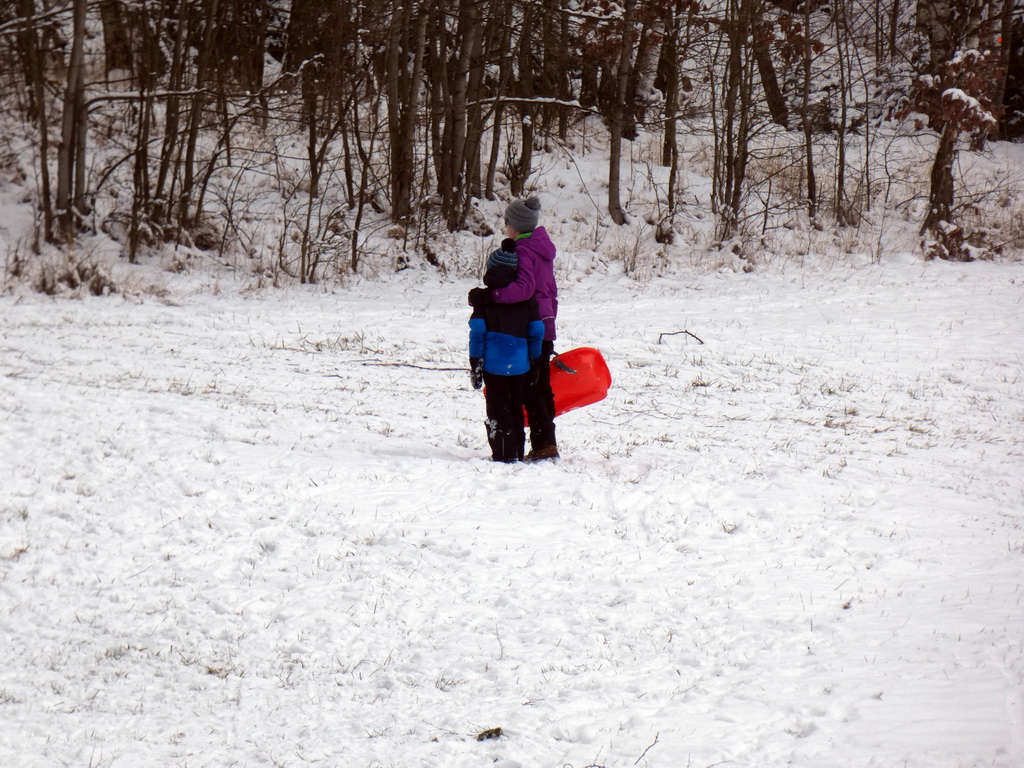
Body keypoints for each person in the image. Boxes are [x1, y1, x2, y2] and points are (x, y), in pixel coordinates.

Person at [468, 197, 559, 462]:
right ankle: (544, 442)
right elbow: (547, 289)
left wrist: (492, 297)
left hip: (528, 324)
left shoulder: (524, 250)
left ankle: (541, 444)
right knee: (539, 387)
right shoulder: (542, 247)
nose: (505, 226)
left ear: (514, 225)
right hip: (543, 321)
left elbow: (524, 288)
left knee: (531, 387)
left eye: (507, 222)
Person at [469, 239, 545, 463]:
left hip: (493, 365)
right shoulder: (527, 300)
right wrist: (535, 359)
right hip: (520, 364)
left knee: (498, 409)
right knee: (515, 408)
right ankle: (517, 452)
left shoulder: (484, 299)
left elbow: (477, 332)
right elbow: (536, 331)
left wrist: (475, 362)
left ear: (490, 269)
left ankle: (504, 454)